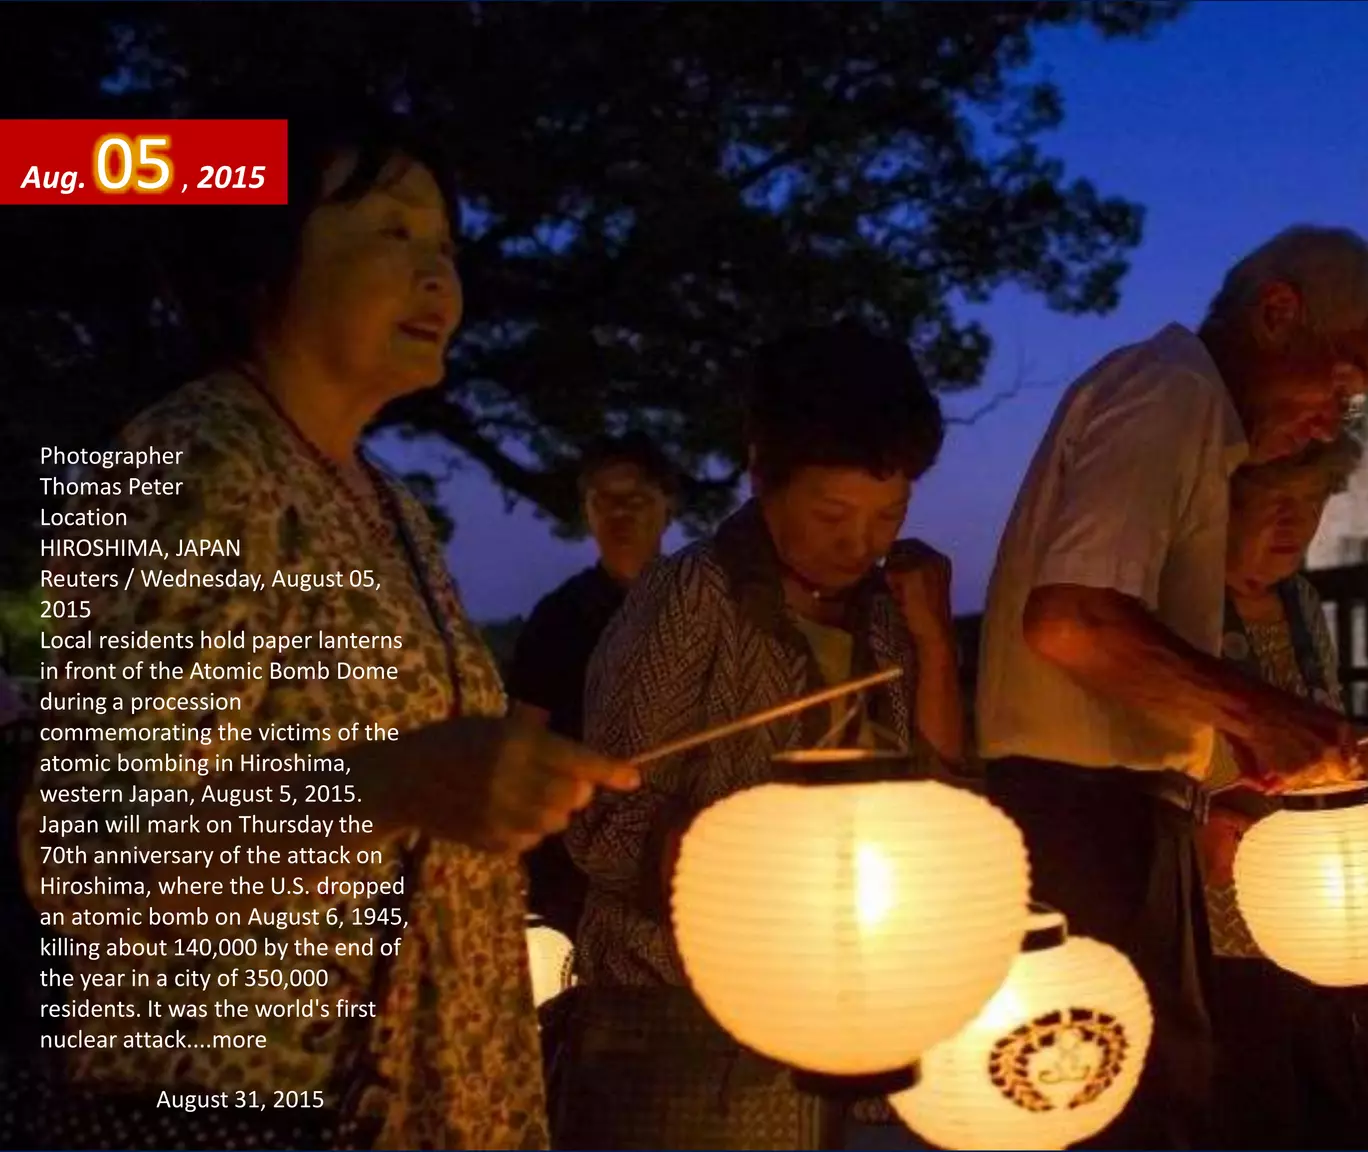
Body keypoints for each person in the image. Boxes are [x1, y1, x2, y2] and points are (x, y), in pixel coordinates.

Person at [12, 100, 635, 1149]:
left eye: (444, 246)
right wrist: (393, 785)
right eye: (391, 232)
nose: (439, 277)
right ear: (263, 260)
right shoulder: (197, 462)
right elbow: (86, 856)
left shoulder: (375, 496)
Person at [975, 224, 1368, 1150]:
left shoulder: (1188, 415)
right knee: (1127, 1103)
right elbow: (1072, 620)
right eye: (1340, 383)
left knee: (1154, 1092)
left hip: (1124, 811)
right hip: (1085, 816)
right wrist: (1257, 709)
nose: (1335, 417)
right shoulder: (1171, 393)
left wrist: (1256, 736)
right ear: (1277, 314)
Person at [551, 324, 960, 1149]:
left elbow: (947, 799)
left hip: (855, 1024)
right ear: (761, 474)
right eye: (832, 512)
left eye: (891, 515)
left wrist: (935, 644)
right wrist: (754, 880)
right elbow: (605, 825)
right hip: (685, 1038)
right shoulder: (693, 597)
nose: (861, 544)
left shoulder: (886, 613)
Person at [1198, 433, 1368, 1150]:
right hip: (1228, 930)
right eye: (1272, 502)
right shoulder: (1180, 610)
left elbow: (1330, 754)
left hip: (1325, 926)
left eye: (1309, 504)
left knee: (1339, 1114)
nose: (1293, 524)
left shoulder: (1303, 606)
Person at [510, 434, 677, 934]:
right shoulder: (559, 617)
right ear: (587, 512)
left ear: (667, 508)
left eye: (637, 500)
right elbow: (524, 735)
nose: (620, 515)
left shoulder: (700, 603)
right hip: (574, 859)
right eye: (604, 501)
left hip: (682, 838)